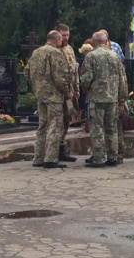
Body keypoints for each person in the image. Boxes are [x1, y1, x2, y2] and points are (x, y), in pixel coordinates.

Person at [25, 30, 72, 169]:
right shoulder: (55, 53)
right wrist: (67, 91)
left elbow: (27, 71)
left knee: (42, 126)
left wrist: (37, 85)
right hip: (54, 96)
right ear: (57, 39)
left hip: (41, 95)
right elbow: (59, 76)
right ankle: (51, 158)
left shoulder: (36, 52)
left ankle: (38, 158)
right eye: (60, 39)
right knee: (55, 125)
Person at [80, 32, 127, 167]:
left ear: (94, 42)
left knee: (97, 128)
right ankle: (113, 156)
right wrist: (121, 99)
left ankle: (99, 157)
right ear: (106, 41)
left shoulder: (91, 56)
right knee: (112, 128)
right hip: (112, 99)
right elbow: (122, 80)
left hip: (96, 99)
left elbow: (86, 78)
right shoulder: (115, 56)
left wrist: (85, 89)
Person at [56, 24, 79, 163]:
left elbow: (74, 70)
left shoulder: (69, 49)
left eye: (67, 35)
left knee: (66, 121)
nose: (66, 38)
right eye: (63, 35)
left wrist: (76, 88)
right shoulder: (54, 50)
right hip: (58, 93)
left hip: (70, 92)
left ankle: (62, 150)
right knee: (56, 123)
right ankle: (54, 152)